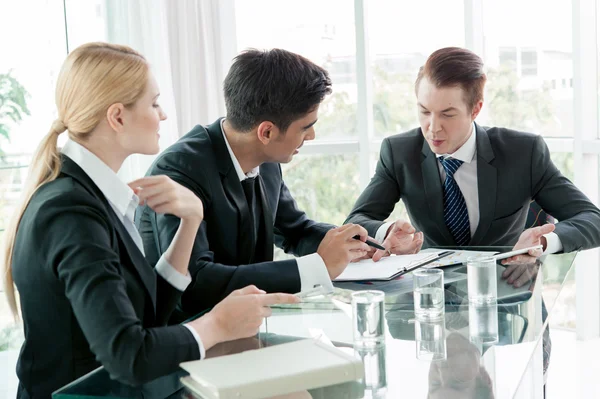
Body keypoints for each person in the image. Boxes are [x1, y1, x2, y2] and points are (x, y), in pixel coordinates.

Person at [2, 42, 297, 399]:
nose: (163, 116)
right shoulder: (71, 212)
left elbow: (149, 310)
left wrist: (191, 220)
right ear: (117, 117)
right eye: (154, 103)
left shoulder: (88, 192)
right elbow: (128, 354)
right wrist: (217, 325)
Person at [135, 48, 421, 317]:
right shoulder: (180, 171)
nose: (311, 137)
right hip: (186, 338)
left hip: (249, 324)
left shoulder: (266, 157)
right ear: (267, 131)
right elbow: (194, 284)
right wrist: (315, 268)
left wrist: (369, 243)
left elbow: (295, 231)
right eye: (306, 127)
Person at [346, 46, 600, 274]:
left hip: (506, 290)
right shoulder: (399, 152)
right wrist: (387, 232)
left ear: (475, 109)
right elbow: (356, 221)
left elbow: (592, 219)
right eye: (424, 111)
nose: (433, 128)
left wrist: (543, 243)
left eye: (447, 114)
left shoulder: (523, 151)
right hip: (428, 297)